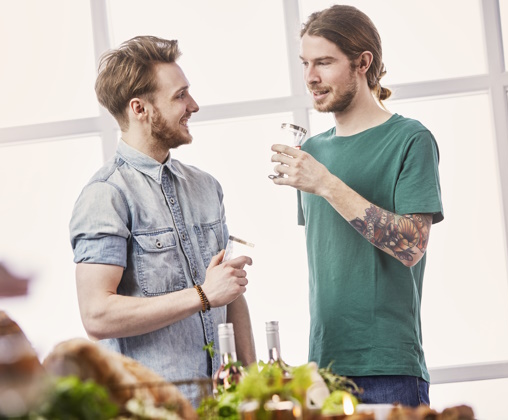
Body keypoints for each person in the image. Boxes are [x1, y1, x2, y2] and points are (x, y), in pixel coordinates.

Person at [270, 5, 444, 407]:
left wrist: (327, 184)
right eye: (305, 63)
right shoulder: (311, 151)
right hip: (323, 368)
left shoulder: (410, 140)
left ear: (363, 62)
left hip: (388, 369)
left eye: (325, 62)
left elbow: (411, 246)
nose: (310, 77)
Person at [69, 36, 256, 406]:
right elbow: (97, 314)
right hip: (152, 409)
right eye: (180, 96)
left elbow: (229, 295)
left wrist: (253, 385)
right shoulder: (105, 196)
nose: (194, 105)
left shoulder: (206, 187)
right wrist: (202, 295)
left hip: (224, 403)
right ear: (140, 108)